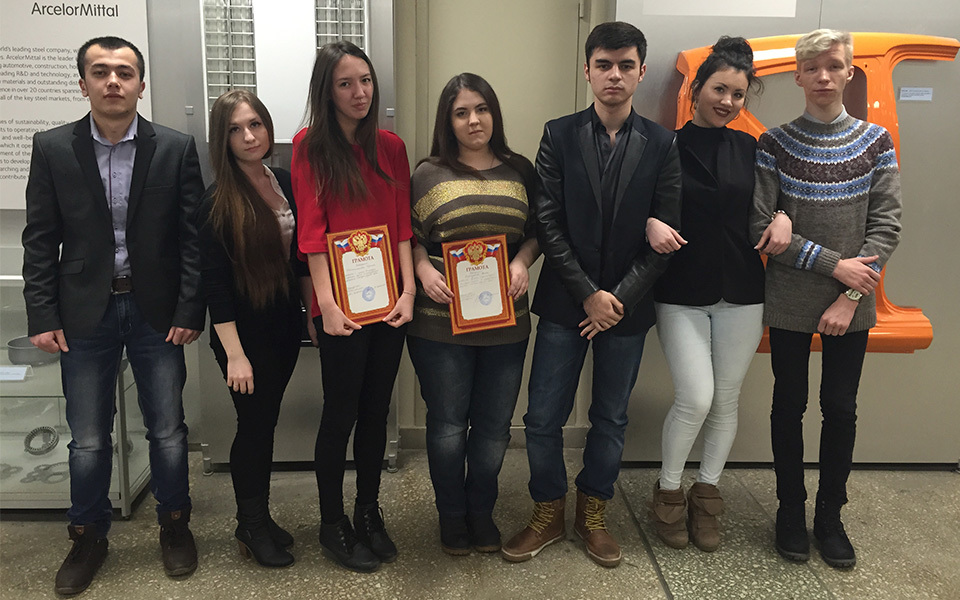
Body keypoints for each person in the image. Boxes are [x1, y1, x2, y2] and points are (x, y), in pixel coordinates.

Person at [22, 36, 204, 594]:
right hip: (83, 313)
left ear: (141, 85)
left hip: (156, 312)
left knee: (167, 430)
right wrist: (42, 314)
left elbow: (192, 239)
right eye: (100, 72)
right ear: (83, 84)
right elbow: (40, 239)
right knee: (87, 438)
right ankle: (88, 537)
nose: (113, 82)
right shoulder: (53, 148)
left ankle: (174, 525)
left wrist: (189, 306)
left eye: (124, 72)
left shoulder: (174, 148)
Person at [501, 21, 682, 569]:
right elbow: (547, 220)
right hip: (565, 302)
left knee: (610, 418)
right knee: (542, 417)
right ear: (587, 70)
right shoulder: (558, 135)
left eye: (626, 66)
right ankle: (548, 511)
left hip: (627, 309)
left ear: (641, 72)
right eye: (604, 65)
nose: (614, 75)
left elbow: (666, 234)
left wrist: (616, 298)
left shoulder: (663, 143)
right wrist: (587, 295)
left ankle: (593, 513)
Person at [750, 29, 902, 569]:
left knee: (839, 409)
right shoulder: (774, 144)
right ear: (797, 75)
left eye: (833, 66)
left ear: (849, 72)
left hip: (851, 302)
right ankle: (790, 512)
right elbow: (761, 227)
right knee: (788, 406)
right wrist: (832, 263)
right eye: (812, 67)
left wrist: (848, 291)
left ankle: (830, 517)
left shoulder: (876, 141)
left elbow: (886, 226)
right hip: (790, 298)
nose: (823, 76)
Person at [644, 37, 784, 552]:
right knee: (696, 397)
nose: (727, 101)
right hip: (680, 291)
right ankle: (668, 492)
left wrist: (784, 217)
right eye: (719, 89)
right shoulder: (663, 146)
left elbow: (777, 203)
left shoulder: (753, 148)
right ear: (697, 89)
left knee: (725, 400)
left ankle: (707, 496)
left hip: (743, 291)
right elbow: (638, 204)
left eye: (738, 94)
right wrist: (647, 222)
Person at [291, 41, 415, 573]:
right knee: (339, 414)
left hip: (389, 302)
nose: (359, 92)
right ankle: (331, 522)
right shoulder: (308, 146)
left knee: (375, 411)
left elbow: (402, 225)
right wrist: (325, 306)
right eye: (345, 84)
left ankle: (368, 511)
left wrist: (408, 293)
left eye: (365, 80)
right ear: (327, 90)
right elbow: (312, 233)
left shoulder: (391, 146)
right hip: (338, 306)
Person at [407, 73, 540, 556]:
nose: (473, 120)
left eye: (481, 109)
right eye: (461, 112)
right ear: (448, 121)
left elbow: (537, 231)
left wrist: (522, 262)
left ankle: (481, 512)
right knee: (446, 426)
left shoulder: (520, 170)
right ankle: (452, 516)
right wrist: (422, 269)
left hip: (506, 322)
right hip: (438, 322)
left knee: (494, 427)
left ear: (493, 113)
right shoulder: (427, 173)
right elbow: (409, 236)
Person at [199, 90, 315, 568]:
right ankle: (249, 524)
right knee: (253, 427)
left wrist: (312, 315)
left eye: (255, 125)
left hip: (283, 325)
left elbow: (301, 258)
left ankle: (260, 519)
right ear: (222, 139)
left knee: (265, 423)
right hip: (242, 335)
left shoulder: (282, 180)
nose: (249, 136)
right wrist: (235, 355)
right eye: (235, 129)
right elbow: (215, 285)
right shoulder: (217, 201)